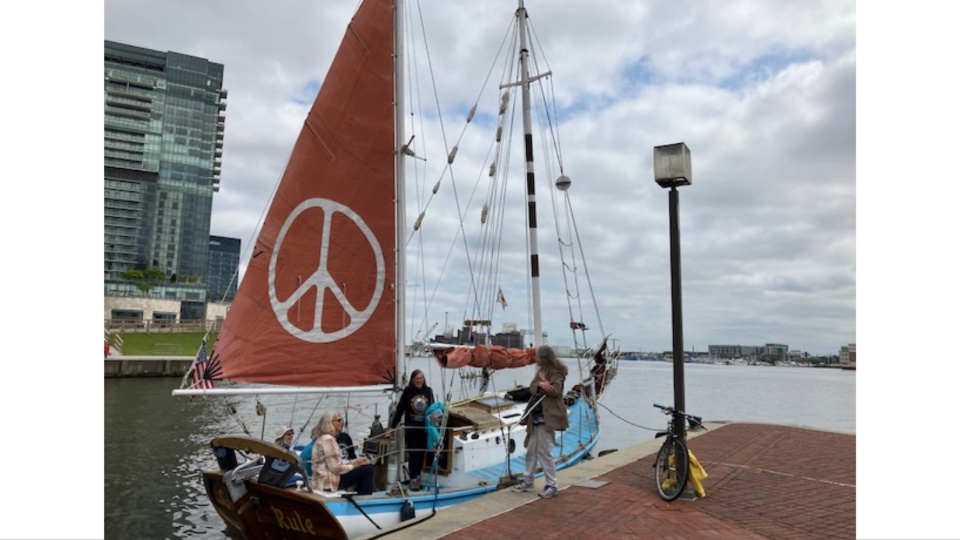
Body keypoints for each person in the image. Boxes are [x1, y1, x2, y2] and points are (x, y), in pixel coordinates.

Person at [511, 345, 568, 499]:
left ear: (544, 358)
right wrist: (541, 384)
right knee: (531, 450)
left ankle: (552, 485)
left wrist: (543, 385)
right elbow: (532, 387)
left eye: (537, 357)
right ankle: (528, 481)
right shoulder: (541, 372)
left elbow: (556, 390)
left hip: (547, 417)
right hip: (535, 417)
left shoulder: (557, 372)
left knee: (545, 452)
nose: (535, 359)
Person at [388, 369, 435, 491]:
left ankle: (418, 477)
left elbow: (432, 408)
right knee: (414, 454)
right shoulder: (407, 392)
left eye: (421, 378)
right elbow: (400, 410)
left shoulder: (428, 391)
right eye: (416, 379)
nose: (419, 380)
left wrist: (436, 417)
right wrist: (392, 427)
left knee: (421, 455)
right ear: (412, 380)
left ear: (423, 380)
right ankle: (413, 479)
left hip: (424, 429)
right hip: (412, 429)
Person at [311, 410, 374, 495]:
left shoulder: (325, 438)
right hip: (327, 482)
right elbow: (336, 468)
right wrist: (354, 466)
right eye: (339, 420)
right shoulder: (328, 440)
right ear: (330, 423)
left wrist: (357, 461)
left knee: (363, 466)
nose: (342, 423)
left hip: (323, 479)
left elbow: (337, 462)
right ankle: (364, 498)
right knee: (368, 469)